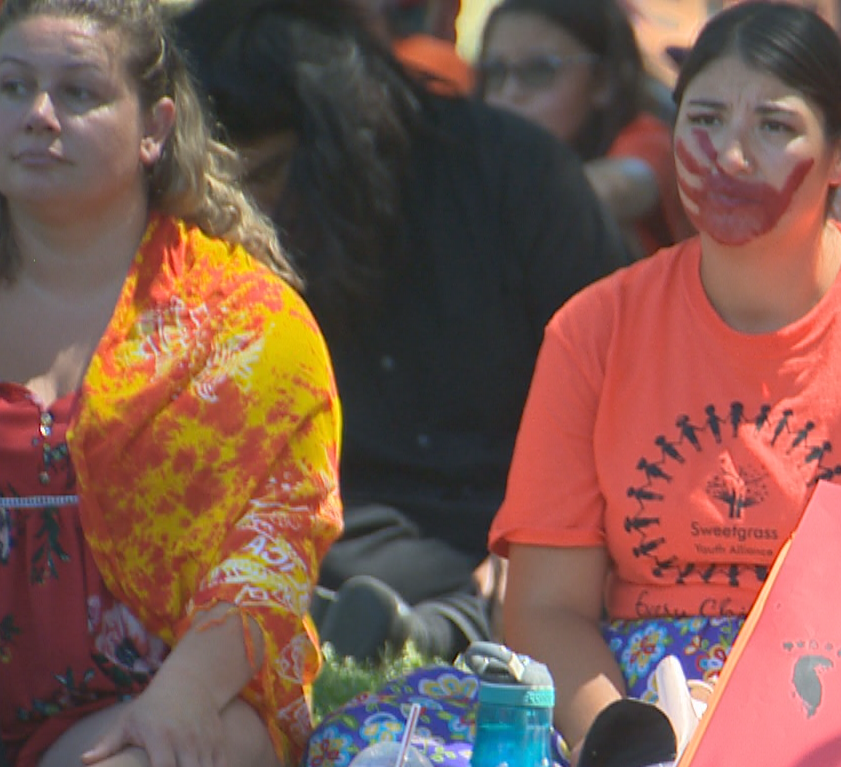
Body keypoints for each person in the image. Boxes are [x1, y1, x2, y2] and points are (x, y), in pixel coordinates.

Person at [329, 2, 841, 767]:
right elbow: (546, 609)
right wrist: (628, 754)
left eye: (773, 126)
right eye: (706, 118)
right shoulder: (595, 329)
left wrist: (770, 736)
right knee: (363, 750)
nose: (728, 153)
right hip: (629, 696)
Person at [0, 0, 340, 767]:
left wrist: (172, 700)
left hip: (164, 709)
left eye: (79, 93)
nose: (39, 115)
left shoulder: (249, 325)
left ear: (155, 128)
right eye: (13, 87)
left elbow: (280, 543)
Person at [173, 0, 625, 667]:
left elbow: (622, 390)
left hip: (523, 534)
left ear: (341, 144)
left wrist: (541, 539)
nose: (244, 211)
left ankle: (446, 625)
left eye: (265, 177)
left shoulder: (517, 176)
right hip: (335, 545)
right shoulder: (215, 244)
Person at [477, 0, 690, 254]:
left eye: (539, 70)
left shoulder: (647, 136)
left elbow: (620, 187)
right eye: (495, 72)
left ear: (603, 81)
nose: (509, 93)